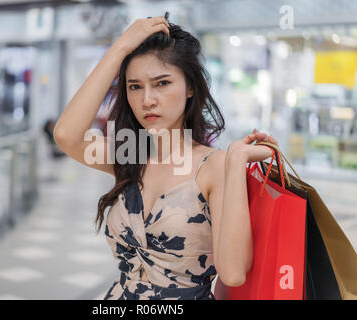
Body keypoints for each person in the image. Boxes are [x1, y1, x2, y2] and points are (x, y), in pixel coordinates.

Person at [53, 14, 278, 300]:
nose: (147, 99)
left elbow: (233, 272)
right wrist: (119, 48)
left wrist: (235, 161)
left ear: (190, 87)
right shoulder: (130, 155)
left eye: (162, 83)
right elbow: (66, 136)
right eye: (135, 86)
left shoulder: (214, 166)